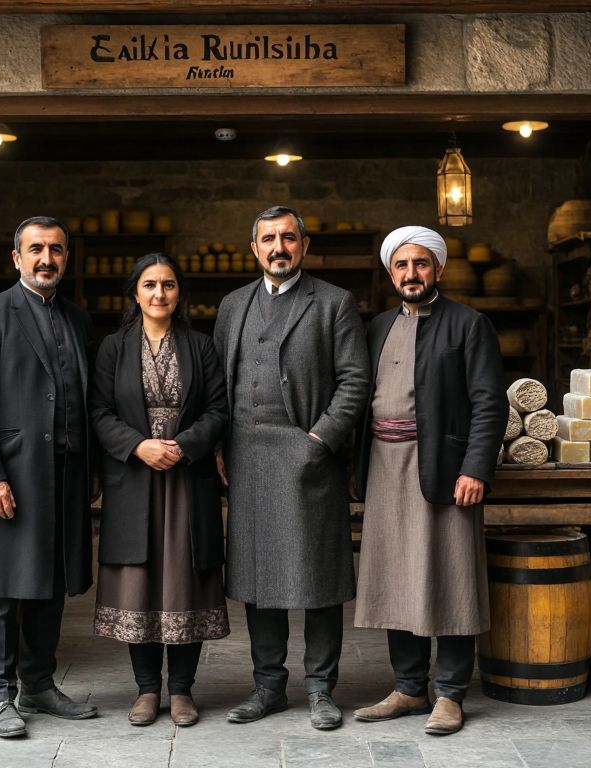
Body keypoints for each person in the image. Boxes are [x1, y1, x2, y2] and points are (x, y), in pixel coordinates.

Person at [213, 205, 370, 730]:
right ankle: (268, 687)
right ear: (253, 248)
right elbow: (218, 387)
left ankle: (323, 690)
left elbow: (355, 382)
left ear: (304, 245)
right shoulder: (232, 306)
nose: (278, 247)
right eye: (268, 239)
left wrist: (319, 440)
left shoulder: (333, 303)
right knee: (259, 578)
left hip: (309, 459)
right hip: (246, 459)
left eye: (287, 238)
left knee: (318, 579)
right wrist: (217, 444)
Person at [351, 226, 507, 736]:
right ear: (389, 272)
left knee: (451, 576)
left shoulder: (468, 324)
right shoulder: (374, 328)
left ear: (437, 269)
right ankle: (409, 688)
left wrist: (475, 467)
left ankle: (451, 695)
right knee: (396, 577)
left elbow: (489, 401)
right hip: (384, 465)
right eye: (401, 265)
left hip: (443, 466)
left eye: (421, 263)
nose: (411, 273)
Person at [0, 216, 98, 738]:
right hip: (11, 476)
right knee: (1, 590)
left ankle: (37, 685)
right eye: (36, 250)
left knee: (51, 585)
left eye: (56, 250)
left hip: (65, 473)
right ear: (16, 258)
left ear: (66, 257)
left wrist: (92, 470)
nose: (47, 259)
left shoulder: (79, 320)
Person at [90, 253, 231, 727]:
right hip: (134, 477)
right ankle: (148, 690)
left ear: (178, 293)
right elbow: (99, 413)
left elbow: (217, 410)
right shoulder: (113, 347)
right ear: (135, 292)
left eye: (168, 285)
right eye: (149, 284)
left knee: (184, 579)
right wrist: (138, 446)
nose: (159, 293)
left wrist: (184, 445)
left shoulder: (201, 346)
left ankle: (183, 690)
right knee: (140, 581)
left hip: (187, 479)